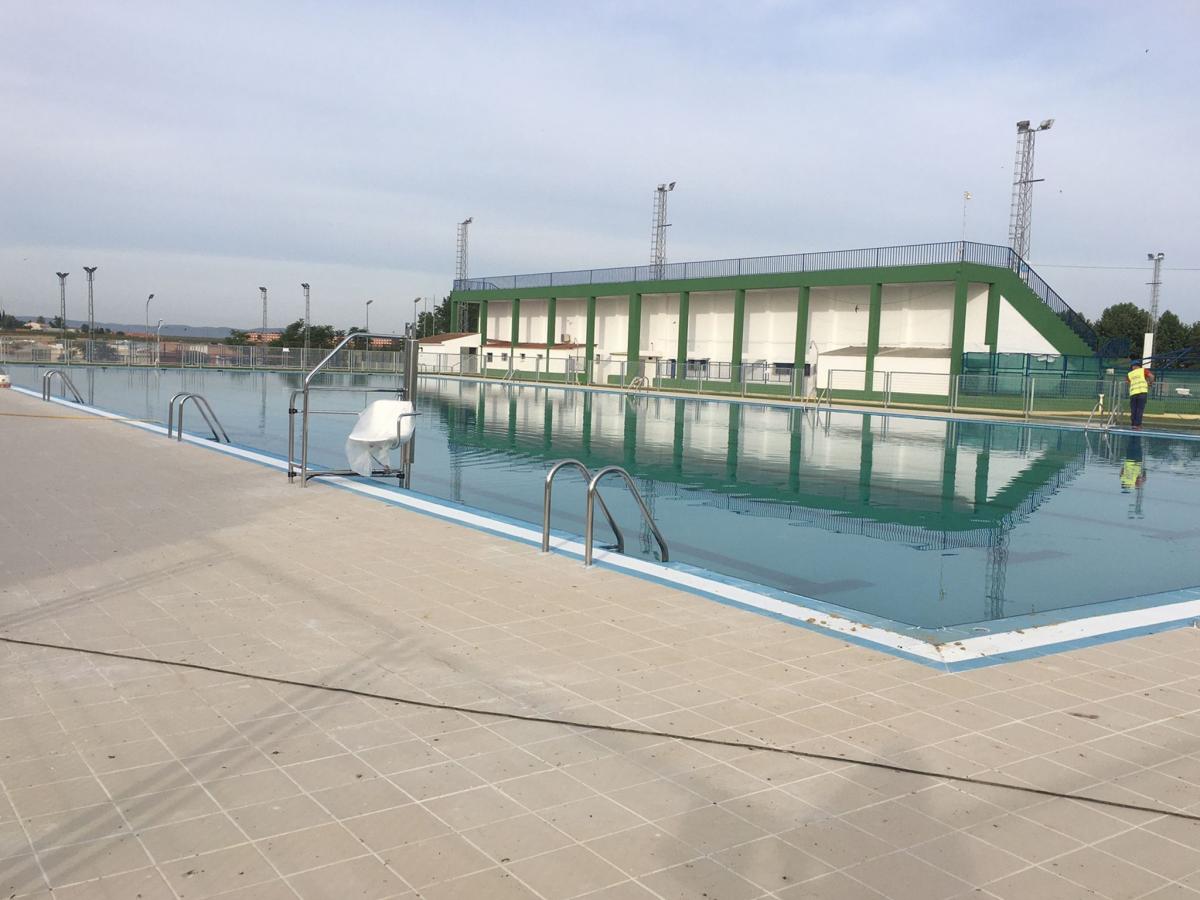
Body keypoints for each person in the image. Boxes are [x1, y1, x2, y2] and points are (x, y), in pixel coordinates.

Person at [1127, 360, 1154, 429]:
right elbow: (1151, 376)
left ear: (1133, 366)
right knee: (1139, 409)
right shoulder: (1143, 370)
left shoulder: (1130, 374)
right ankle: (1138, 425)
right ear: (1139, 365)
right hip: (1142, 393)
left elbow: (1129, 383)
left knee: (1133, 409)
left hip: (1133, 394)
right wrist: (1150, 383)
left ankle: (1133, 424)